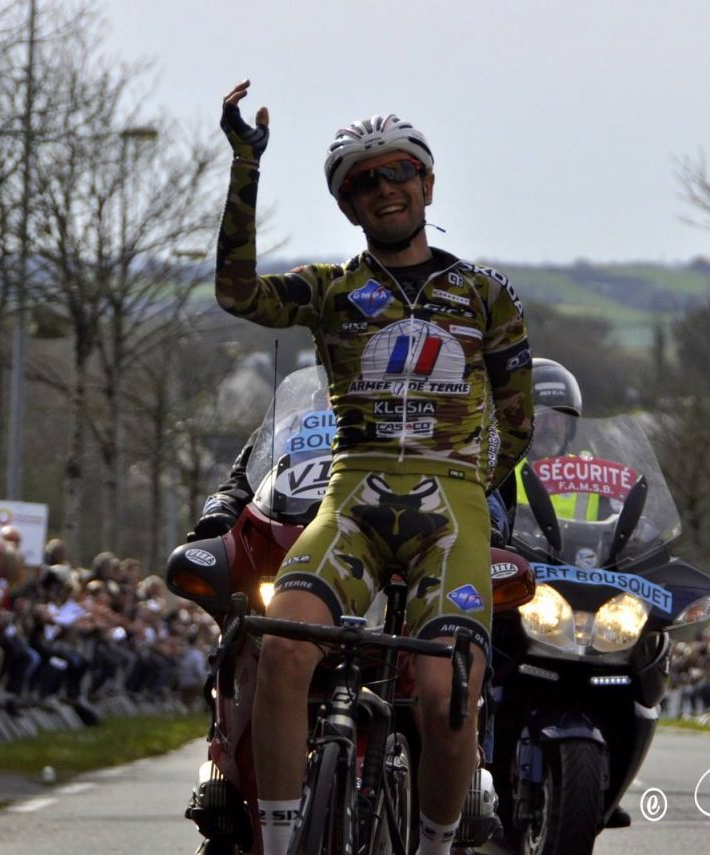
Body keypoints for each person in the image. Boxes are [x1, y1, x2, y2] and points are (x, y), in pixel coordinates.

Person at [215, 80, 534, 855]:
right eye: (363, 181)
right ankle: (286, 841)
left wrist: (466, 484)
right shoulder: (331, 290)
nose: (385, 189)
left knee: (445, 692)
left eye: (398, 172)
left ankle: (432, 843)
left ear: (428, 183)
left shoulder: (486, 296)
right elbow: (238, 292)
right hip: (350, 496)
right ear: (346, 204)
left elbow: (517, 427)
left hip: (450, 507)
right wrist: (245, 169)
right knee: (284, 645)